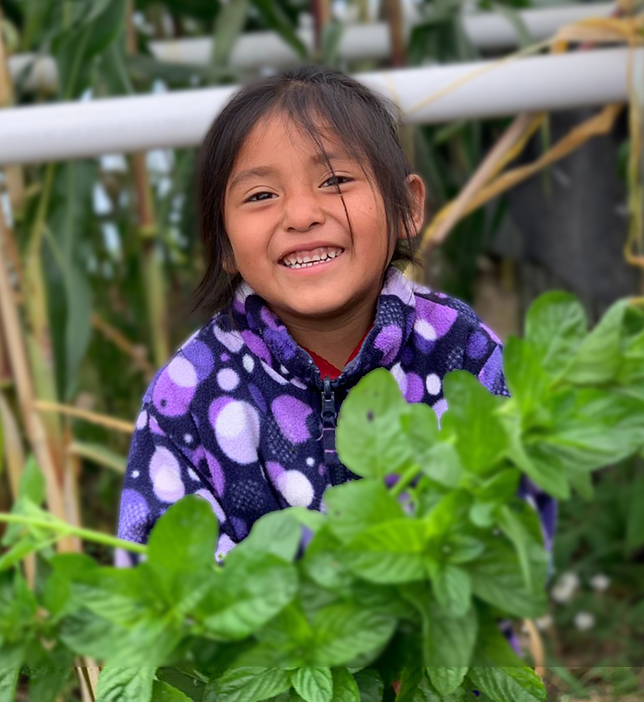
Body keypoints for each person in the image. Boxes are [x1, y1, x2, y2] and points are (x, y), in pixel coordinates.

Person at [115, 65, 556, 569]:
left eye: (335, 180)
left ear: (407, 206)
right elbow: (160, 564)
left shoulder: (460, 349)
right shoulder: (190, 391)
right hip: (276, 646)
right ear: (224, 243)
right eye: (261, 195)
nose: (301, 215)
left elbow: (513, 524)